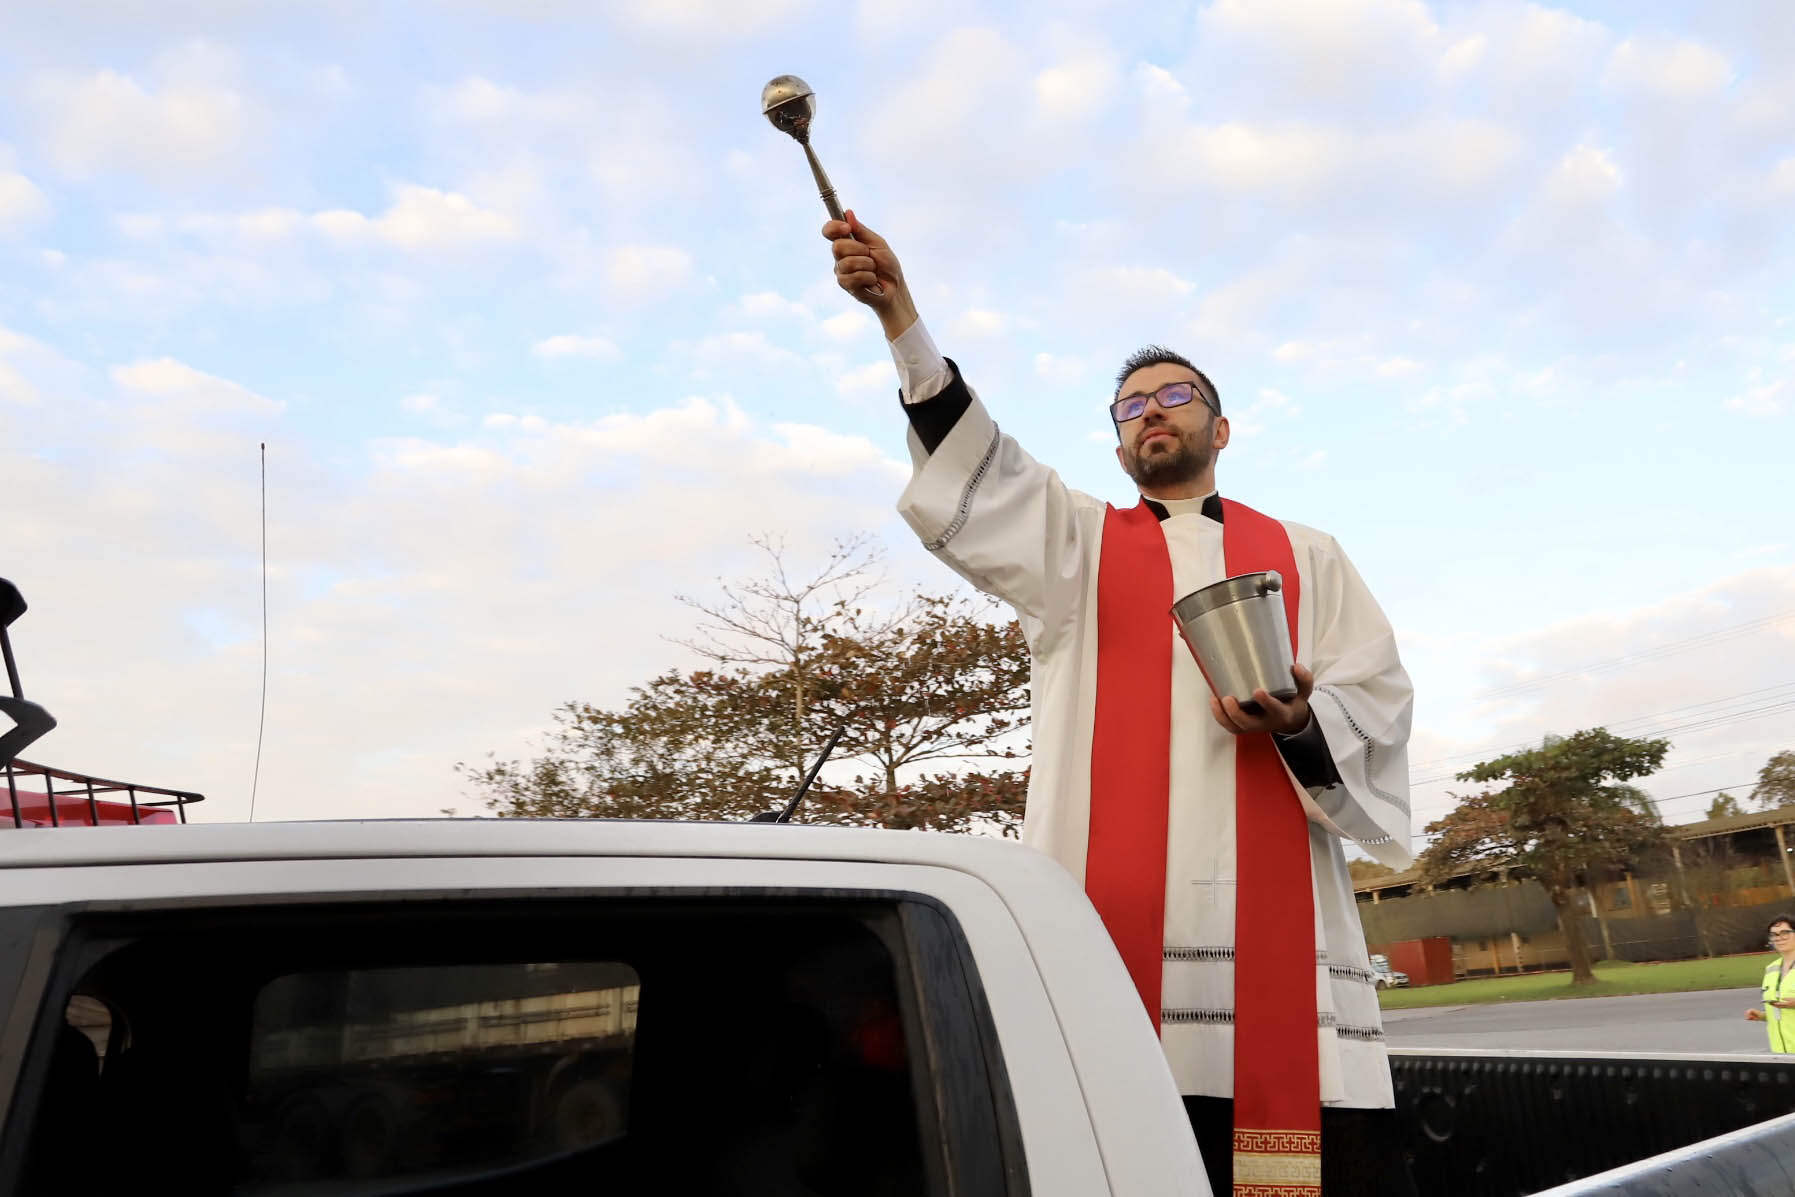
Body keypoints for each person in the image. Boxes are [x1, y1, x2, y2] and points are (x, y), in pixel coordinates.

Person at [823, 212, 1416, 1197]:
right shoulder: (1077, 552)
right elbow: (985, 470)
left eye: (1175, 395)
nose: (1151, 411)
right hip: (1117, 933)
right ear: (1116, 444)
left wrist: (1303, 722)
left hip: (1282, 943)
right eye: (1129, 404)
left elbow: (1379, 701)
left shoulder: (1309, 555)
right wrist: (901, 318)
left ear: (1219, 430)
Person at [1745, 914, 1795, 1052]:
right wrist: (1762, 1016)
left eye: (1785, 933)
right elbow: (1779, 1010)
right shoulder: (1771, 969)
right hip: (1781, 1054)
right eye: (1774, 935)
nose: (1779, 938)